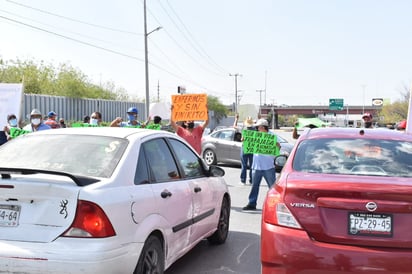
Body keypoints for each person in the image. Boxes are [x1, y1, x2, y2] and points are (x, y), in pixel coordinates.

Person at [243, 119, 279, 211]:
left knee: (272, 187)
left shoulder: (272, 136)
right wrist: (245, 140)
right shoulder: (255, 136)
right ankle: (252, 203)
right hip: (256, 166)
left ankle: (275, 204)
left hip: (268, 167)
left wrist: (276, 145)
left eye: (258, 127)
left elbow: (278, 148)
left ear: (263, 127)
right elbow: (247, 146)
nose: (257, 129)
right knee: (254, 186)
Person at [234, 114, 254, 185]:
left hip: (244, 148)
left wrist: (236, 119)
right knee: (252, 165)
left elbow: (234, 126)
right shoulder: (255, 129)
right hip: (252, 148)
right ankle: (251, 180)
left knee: (244, 165)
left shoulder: (243, 129)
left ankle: (243, 180)